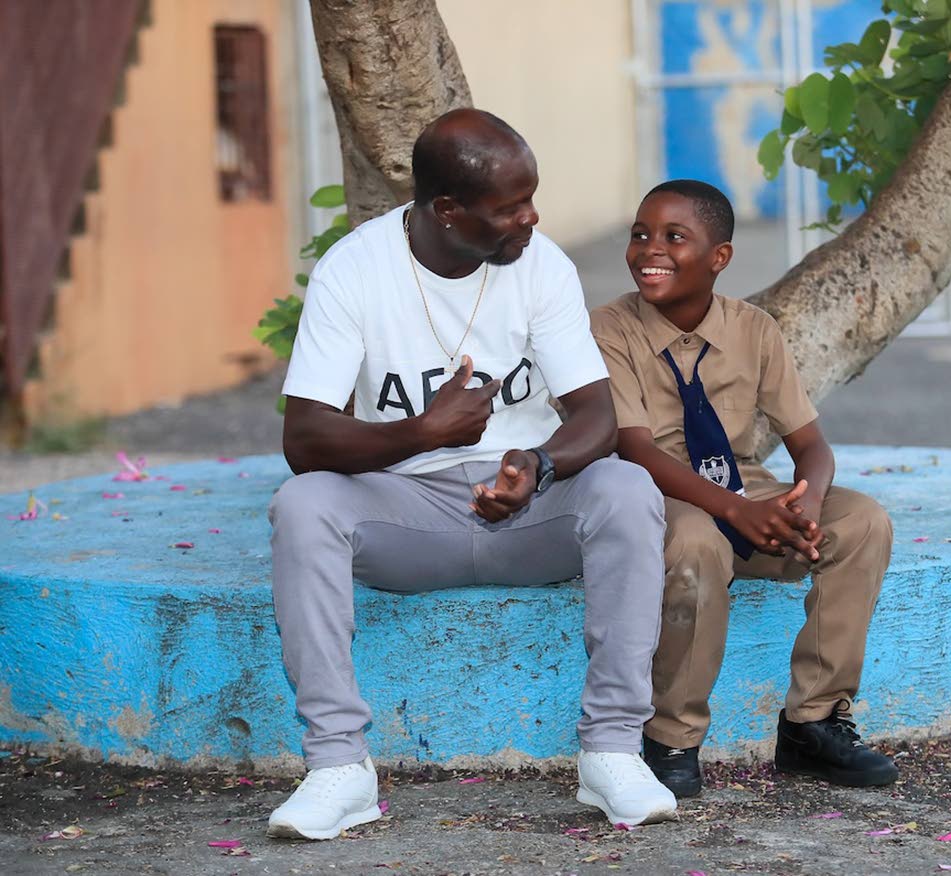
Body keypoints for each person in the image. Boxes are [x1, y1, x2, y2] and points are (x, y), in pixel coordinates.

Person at [264, 109, 677, 840]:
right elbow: (304, 437)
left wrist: (539, 464)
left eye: (531, 198)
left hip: (527, 511)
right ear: (446, 211)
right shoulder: (355, 271)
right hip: (407, 509)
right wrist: (421, 432)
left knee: (625, 486)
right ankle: (339, 769)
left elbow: (596, 416)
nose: (531, 216)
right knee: (304, 505)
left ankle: (612, 749)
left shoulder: (541, 265)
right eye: (510, 207)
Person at [589, 179, 898, 799]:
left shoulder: (754, 330)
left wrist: (805, 502)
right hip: (656, 490)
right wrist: (739, 511)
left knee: (861, 521)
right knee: (699, 543)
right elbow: (635, 448)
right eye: (641, 234)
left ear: (719, 258)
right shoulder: (609, 328)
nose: (651, 249)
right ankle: (671, 737)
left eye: (675, 237)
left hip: (738, 482)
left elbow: (811, 445)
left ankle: (813, 724)